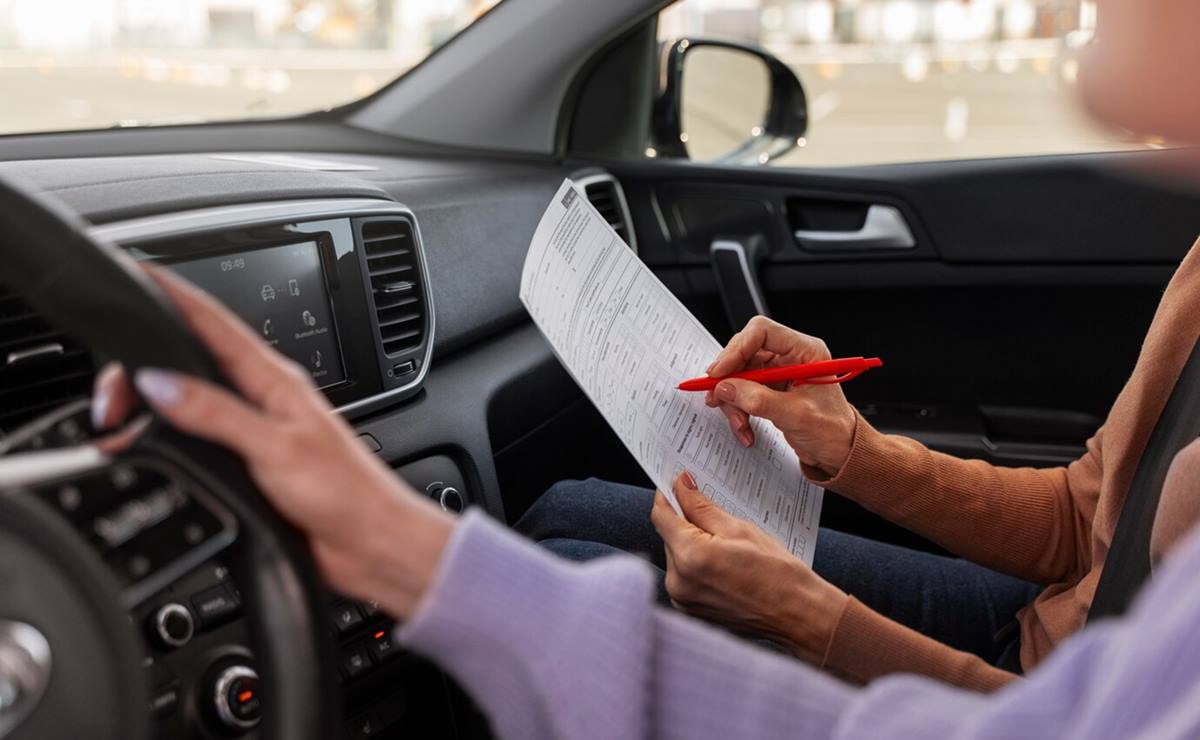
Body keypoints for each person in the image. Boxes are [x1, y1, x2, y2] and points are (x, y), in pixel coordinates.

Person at [90, 0, 1200, 735]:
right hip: (1063, 625)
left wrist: (809, 618)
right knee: (574, 507)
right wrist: (850, 446)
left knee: (573, 553)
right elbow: (1077, 515)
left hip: (1048, 683)